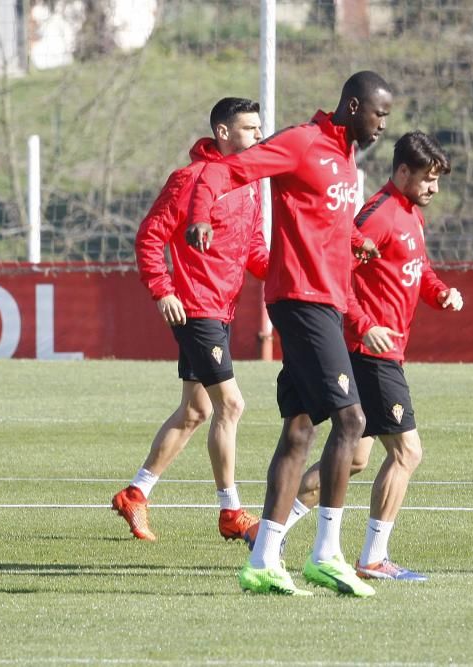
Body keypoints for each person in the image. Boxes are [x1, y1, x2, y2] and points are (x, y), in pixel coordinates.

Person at [186, 71, 394, 597]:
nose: (382, 124)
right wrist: (199, 213)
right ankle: (326, 554)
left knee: (300, 430)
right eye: (379, 113)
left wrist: (354, 240)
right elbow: (223, 171)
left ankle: (263, 559)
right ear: (352, 106)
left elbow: (322, 217)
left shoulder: (347, 163)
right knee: (352, 420)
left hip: (325, 299)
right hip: (301, 300)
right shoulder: (302, 142)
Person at [282, 131, 462, 583]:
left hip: (386, 350)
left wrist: (441, 295)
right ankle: (373, 557)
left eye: (437, 180)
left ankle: (271, 528)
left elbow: (419, 270)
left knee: (355, 459)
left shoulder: (410, 215)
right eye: (427, 179)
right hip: (369, 352)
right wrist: (365, 324)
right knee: (407, 452)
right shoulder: (378, 214)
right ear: (402, 172)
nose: (433, 189)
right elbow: (340, 272)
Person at [112, 98, 267, 543]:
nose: (258, 136)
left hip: (220, 310)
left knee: (196, 411)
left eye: (259, 128)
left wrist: (290, 273)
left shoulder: (250, 185)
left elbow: (254, 252)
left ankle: (135, 493)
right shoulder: (190, 180)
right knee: (231, 405)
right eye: (249, 128)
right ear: (223, 132)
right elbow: (149, 236)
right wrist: (163, 290)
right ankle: (231, 511)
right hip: (195, 308)